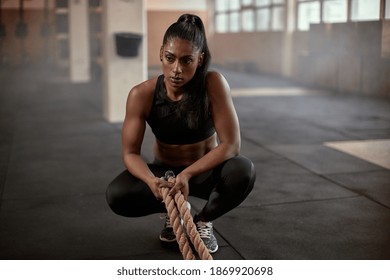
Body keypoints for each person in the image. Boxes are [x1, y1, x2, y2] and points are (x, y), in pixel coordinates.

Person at [106, 14, 255, 254]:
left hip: (204, 174)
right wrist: (152, 181)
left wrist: (188, 173)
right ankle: (174, 211)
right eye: (170, 58)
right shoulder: (141, 94)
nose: (177, 69)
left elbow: (231, 145)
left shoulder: (212, 83)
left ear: (200, 59)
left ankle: (203, 221)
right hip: (166, 175)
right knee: (117, 194)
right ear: (161, 54)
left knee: (243, 170)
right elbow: (130, 153)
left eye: (187, 61)